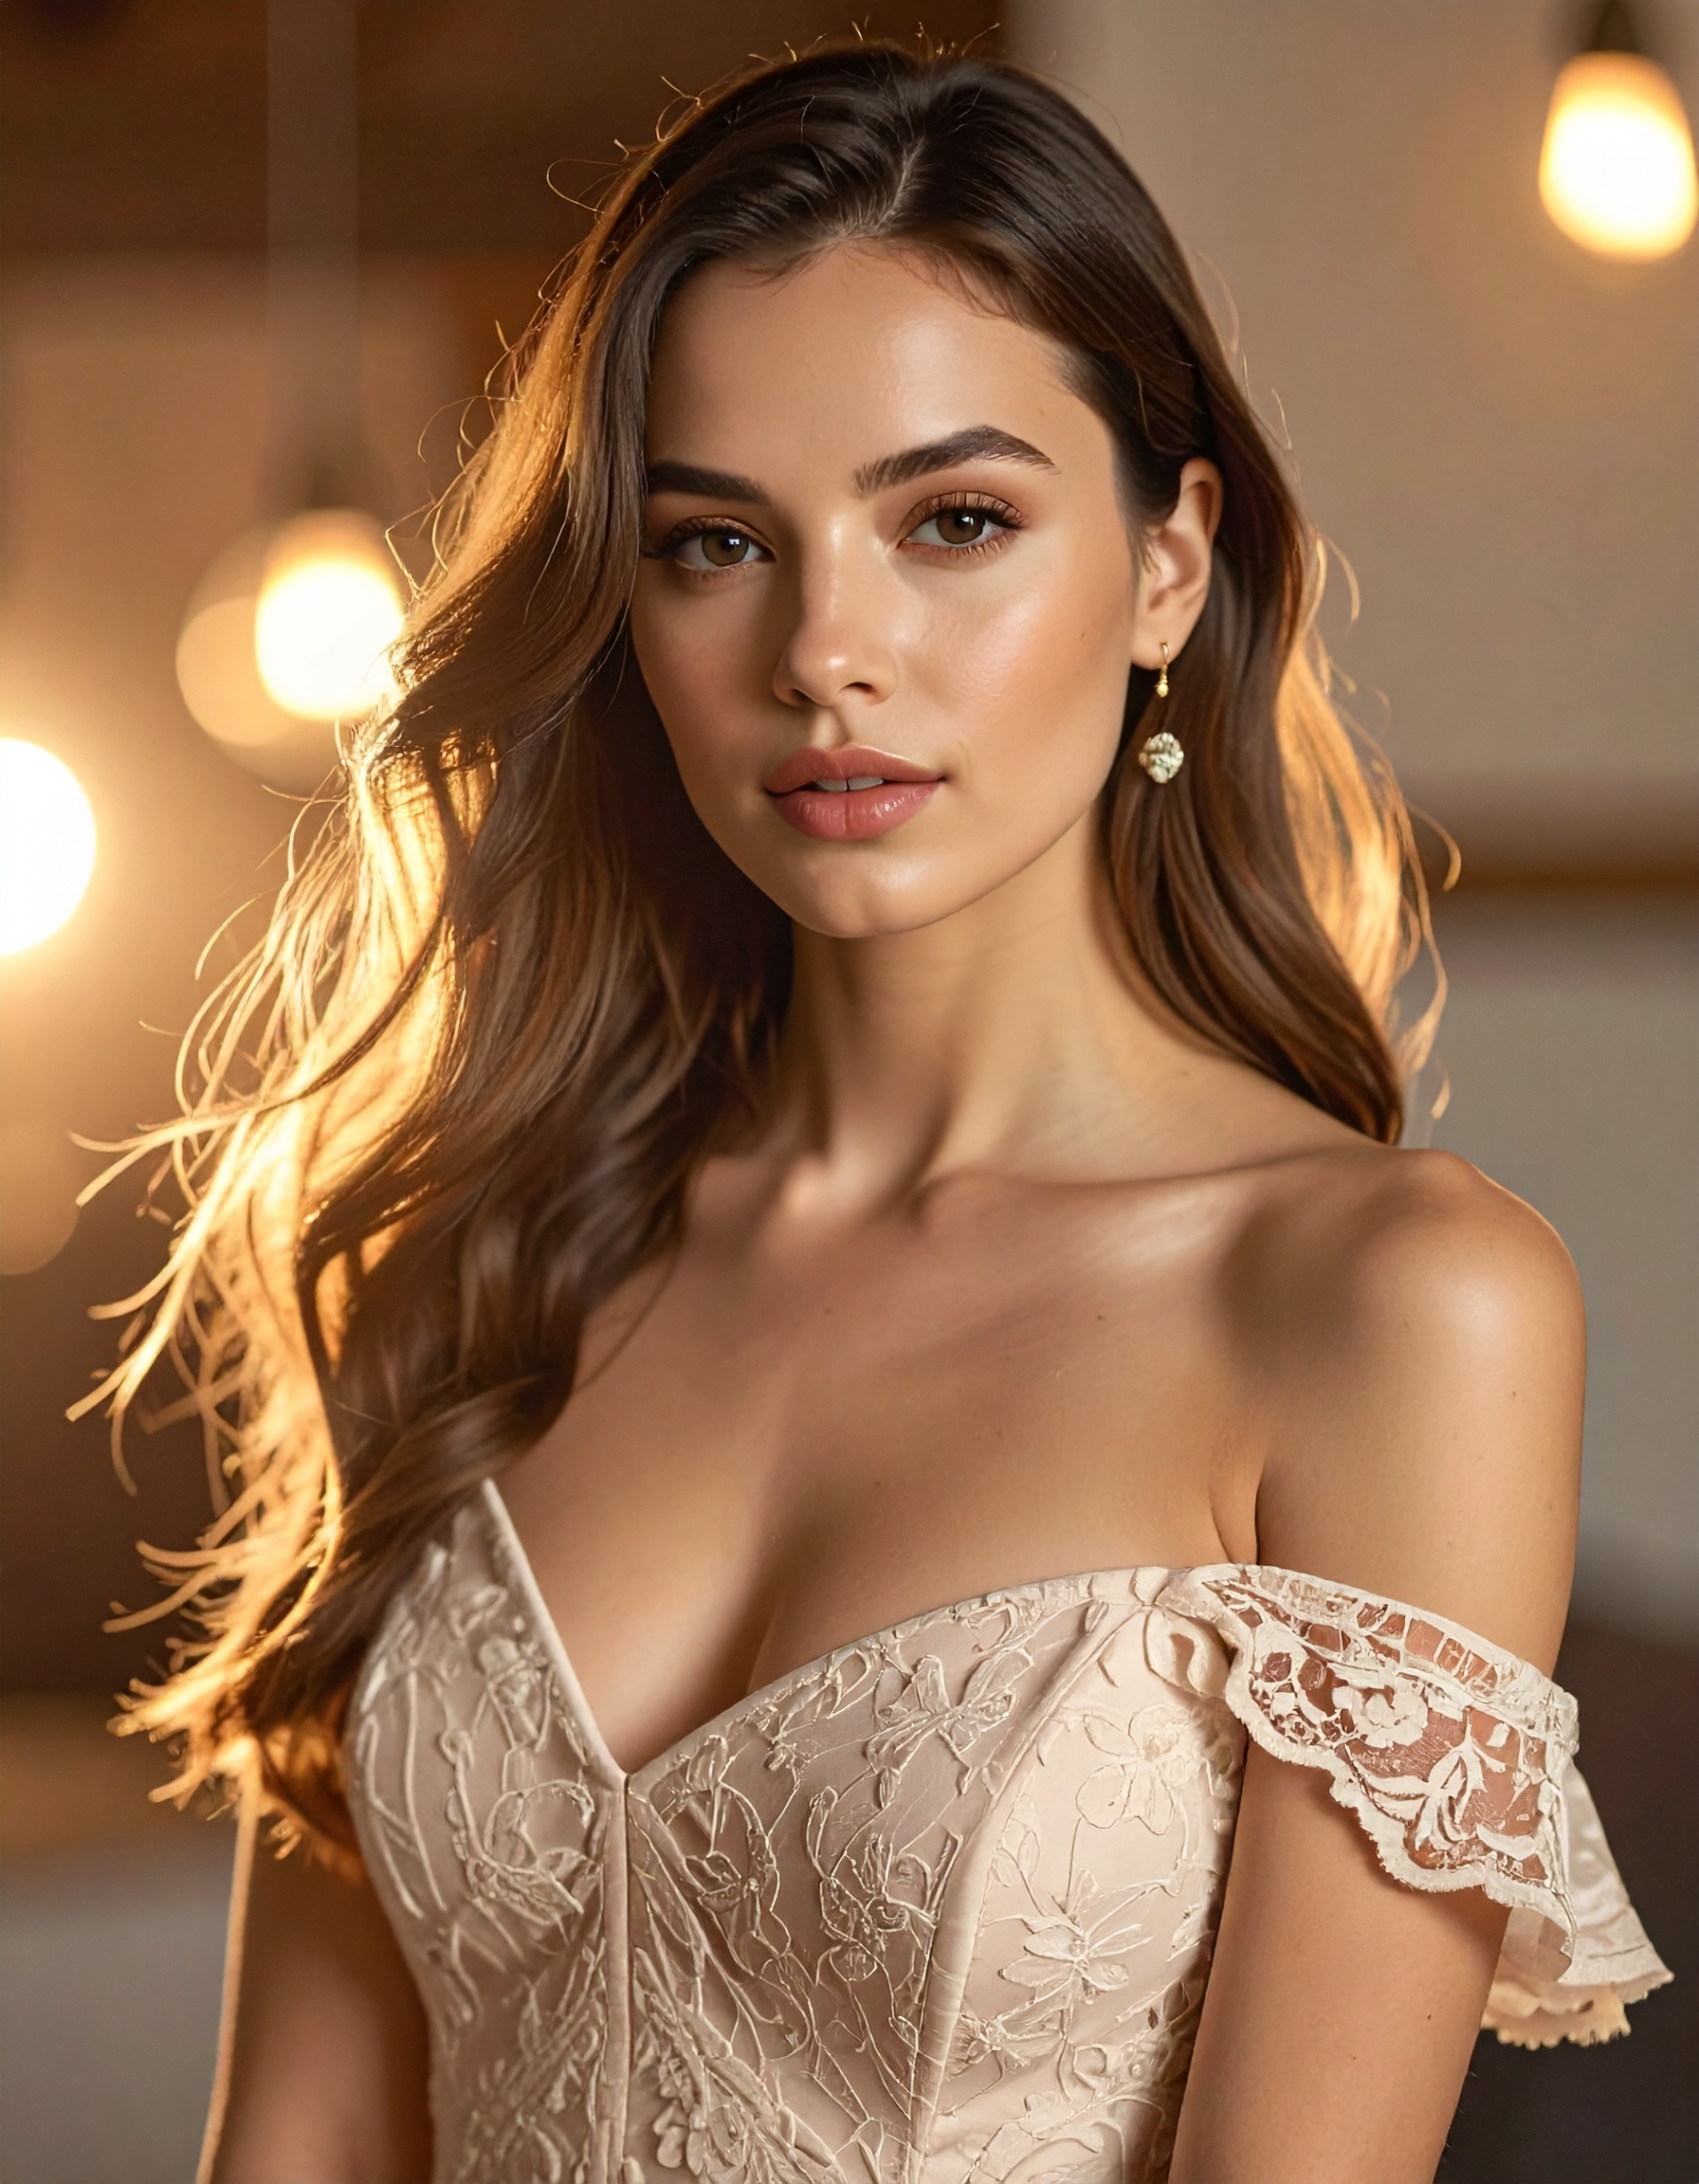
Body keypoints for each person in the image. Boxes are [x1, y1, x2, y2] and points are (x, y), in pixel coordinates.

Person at [108, 39, 1666, 2184]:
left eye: (952, 521)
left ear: (1164, 565)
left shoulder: (1387, 1305)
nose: (827, 650)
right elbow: (292, 2145)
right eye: (714, 542)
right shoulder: (472, 1271)